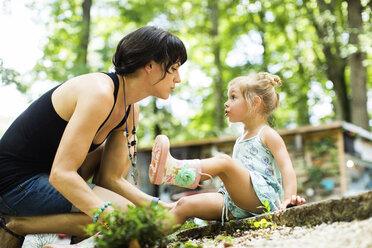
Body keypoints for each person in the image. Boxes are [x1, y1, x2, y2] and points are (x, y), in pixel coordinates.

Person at [0, 25, 186, 248]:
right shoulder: (99, 92)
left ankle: (47, 230)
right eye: (174, 68)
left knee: (132, 214)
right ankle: (17, 225)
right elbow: (61, 174)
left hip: (47, 177)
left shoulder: (130, 110)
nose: (179, 78)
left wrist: (157, 205)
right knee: (127, 218)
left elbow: (110, 179)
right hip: (14, 184)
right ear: (150, 66)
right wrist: (111, 216)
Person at [149, 72, 306, 226]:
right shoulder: (241, 139)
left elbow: (287, 169)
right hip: (233, 201)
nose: (227, 102)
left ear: (255, 102)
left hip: (262, 199)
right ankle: (141, 238)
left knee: (224, 162)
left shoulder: (268, 134)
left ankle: (174, 171)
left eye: (233, 97)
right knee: (184, 204)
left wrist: (289, 199)